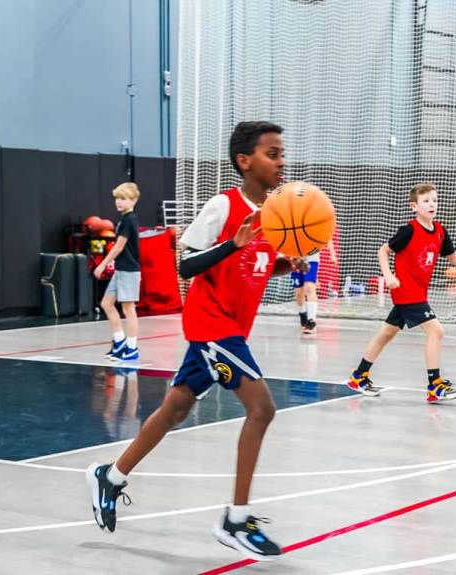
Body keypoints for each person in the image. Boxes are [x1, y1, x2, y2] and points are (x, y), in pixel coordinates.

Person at [88, 121, 303, 561]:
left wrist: (289, 264)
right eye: (272, 153)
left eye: (282, 153)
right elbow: (185, 267)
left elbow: (258, 264)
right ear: (245, 161)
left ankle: (110, 475)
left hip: (231, 329)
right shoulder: (224, 206)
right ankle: (235, 520)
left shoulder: (276, 214)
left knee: (176, 409)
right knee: (262, 409)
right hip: (211, 325)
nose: (282, 162)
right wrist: (233, 243)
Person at [346, 182, 456, 402]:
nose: (432, 204)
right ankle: (435, 385)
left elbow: (452, 257)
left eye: (434, 200)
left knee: (387, 333)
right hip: (406, 292)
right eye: (426, 201)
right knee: (436, 331)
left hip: (418, 293)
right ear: (414, 206)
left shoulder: (440, 231)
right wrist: (389, 276)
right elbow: (383, 250)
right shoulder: (409, 230)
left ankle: (359, 376)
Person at [94, 182, 142, 362]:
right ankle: (120, 342)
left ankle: (132, 348)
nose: (119, 202)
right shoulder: (124, 220)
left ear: (134, 200)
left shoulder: (130, 220)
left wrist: (102, 265)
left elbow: (119, 246)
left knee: (128, 309)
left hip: (129, 271)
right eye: (117, 199)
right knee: (107, 303)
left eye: (123, 199)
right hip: (121, 270)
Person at [294, 239, 336, 334]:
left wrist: (332, 254)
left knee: (309, 287)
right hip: (295, 257)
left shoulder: (316, 224)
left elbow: (327, 235)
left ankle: (311, 321)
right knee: (299, 293)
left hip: (312, 257)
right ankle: (303, 315)